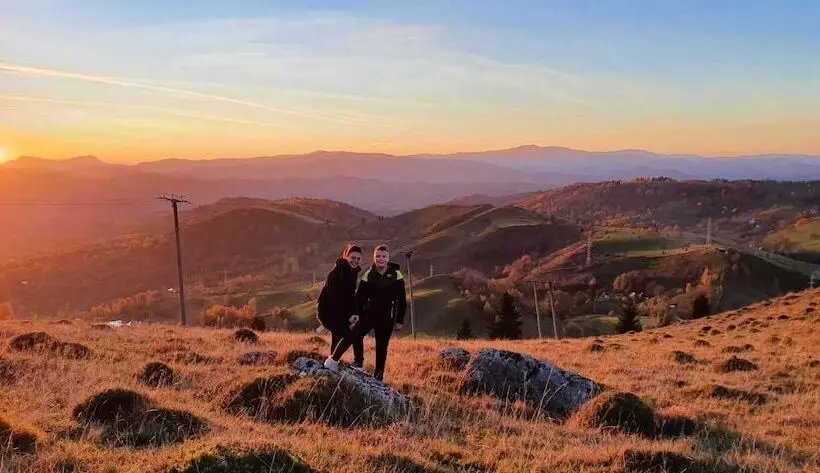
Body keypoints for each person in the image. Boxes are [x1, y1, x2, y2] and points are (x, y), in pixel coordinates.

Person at [325, 245, 406, 381]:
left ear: (388, 258)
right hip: (368, 314)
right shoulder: (368, 275)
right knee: (354, 334)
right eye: (378, 256)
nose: (381, 259)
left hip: (387, 317)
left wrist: (399, 320)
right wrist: (355, 315)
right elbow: (359, 299)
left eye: (383, 256)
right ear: (374, 258)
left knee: (381, 347)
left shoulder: (396, 275)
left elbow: (402, 300)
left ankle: (378, 378)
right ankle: (333, 360)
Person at [317, 244, 364, 370]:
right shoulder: (335, 274)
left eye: (358, 259)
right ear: (346, 256)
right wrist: (347, 318)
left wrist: (354, 314)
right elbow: (334, 299)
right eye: (353, 258)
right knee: (350, 334)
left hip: (339, 312)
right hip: (327, 313)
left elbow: (351, 297)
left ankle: (354, 364)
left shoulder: (352, 272)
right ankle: (332, 361)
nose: (355, 261)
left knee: (347, 333)